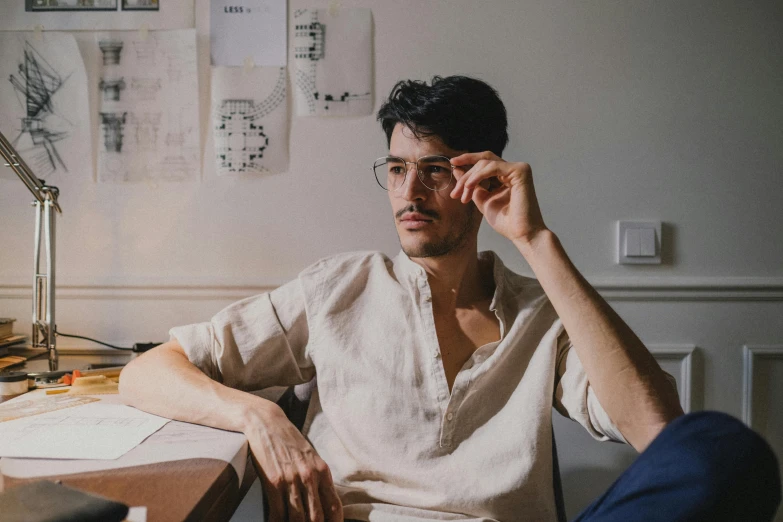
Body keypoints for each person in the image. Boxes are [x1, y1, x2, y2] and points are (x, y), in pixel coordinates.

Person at [120, 76, 781, 522]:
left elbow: (657, 428)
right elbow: (149, 371)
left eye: (435, 170)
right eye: (398, 168)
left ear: (482, 172)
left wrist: (535, 238)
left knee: (725, 448)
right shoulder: (338, 288)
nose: (410, 193)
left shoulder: (538, 314)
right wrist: (260, 419)